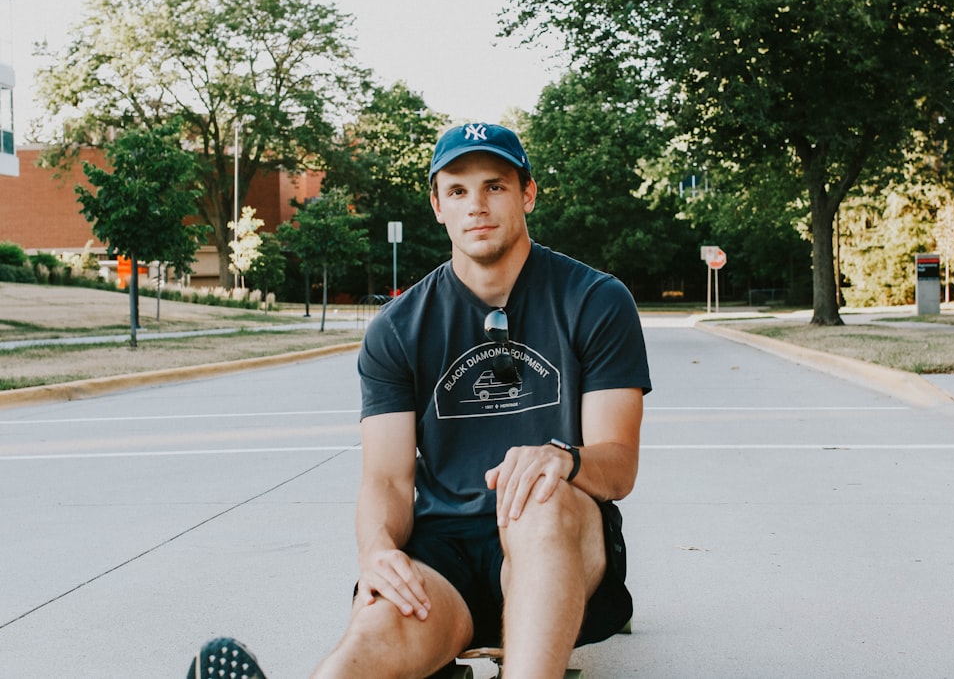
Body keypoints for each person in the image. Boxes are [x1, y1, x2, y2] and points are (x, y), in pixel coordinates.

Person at [189, 123, 651, 679]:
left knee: (541, 495)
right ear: (437, 204)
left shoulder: (595, 300)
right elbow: (386, 479)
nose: (476, 205)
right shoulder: (398, 328)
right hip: (445, 552)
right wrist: (378, 552)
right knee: (373, 635)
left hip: (562, 543)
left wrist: (563, 457)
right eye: (457, 191)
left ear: (527, 193)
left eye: (495, 186)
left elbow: (618, 464)